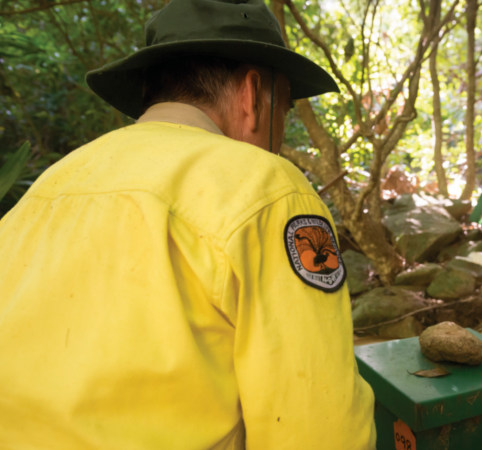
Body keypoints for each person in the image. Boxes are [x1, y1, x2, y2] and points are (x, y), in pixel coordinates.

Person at [0, 0, 376, 448]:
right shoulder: (266, 187)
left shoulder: (49, 187)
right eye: (286, 110)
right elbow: (318, 428)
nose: (282, 127)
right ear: (253, 95)